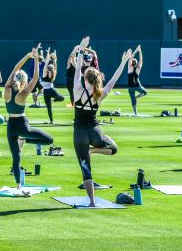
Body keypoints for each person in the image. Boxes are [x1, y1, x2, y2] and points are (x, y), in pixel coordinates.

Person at [73, 36, 130, 207]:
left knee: (86, 169)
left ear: (85, 79)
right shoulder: (100, 94)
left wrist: (81, 50)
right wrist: (124, 62)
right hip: (95, 132)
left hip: (80, 134)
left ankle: (92, 201)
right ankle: (93, 150)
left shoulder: (77, 90)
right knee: (114, 148)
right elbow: (113, 79)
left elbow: (77, 68)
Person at [5, 47, 54, 189]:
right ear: (24, 82)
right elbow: (36, 78)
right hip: (22, 125)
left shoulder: (7, 89)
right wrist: (37, 59)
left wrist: (27, 56)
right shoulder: (24, 92)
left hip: (11, 126)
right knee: (49, 140)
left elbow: (15, 68)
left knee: (16, 158)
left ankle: (18, 185)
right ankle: (24, 139)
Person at [41, 49, 65, 124]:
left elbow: (46, 63)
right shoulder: (53, 74)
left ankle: (51, 121)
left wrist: (49, 54)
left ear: (48, 69)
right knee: (62, 98)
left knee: (49, 108)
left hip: (46, 91)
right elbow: (55, 65)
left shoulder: (45, 73)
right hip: (51, 90)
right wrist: (54, 59)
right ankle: (53, 101)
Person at [127, 45, 147, 116]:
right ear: (136, 63)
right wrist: (139, 51)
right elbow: (141, 60)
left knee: (133, 100)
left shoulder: (130, 68)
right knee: (145, 92)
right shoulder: (137, 69)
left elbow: (130, 58)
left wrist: (135, 51)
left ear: (132, 63)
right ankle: (137, 97)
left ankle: (135, 113)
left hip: (130, 87)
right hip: (137, 86)